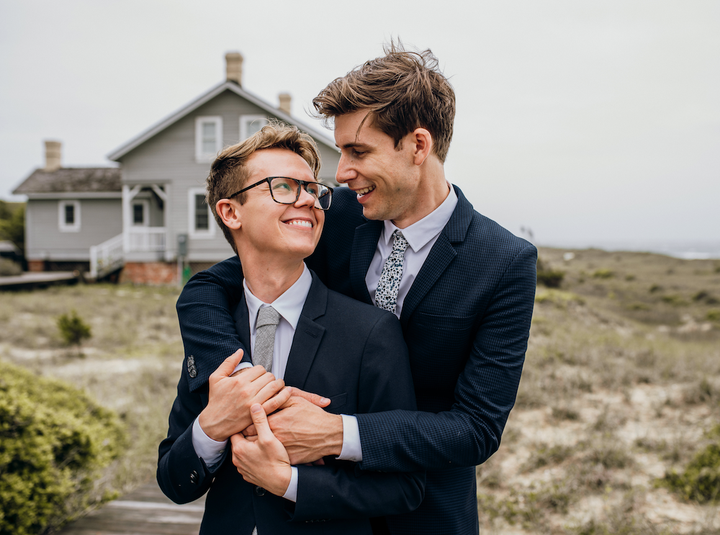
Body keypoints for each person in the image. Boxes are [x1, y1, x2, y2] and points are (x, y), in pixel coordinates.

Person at [177, 43, 537, 534]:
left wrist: (336, 433)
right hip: (314, 510)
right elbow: (213, 287)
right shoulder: (338, 215)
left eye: (358, 151)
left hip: (424, 510)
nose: (341, 172)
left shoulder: (503, 261)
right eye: (341, 150)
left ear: (417, 146)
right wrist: (240, 379)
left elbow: (477, 427)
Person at [158, 123, 424, 535]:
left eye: (312, 190)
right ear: (231, 212)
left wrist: (290, 483)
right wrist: (212, 426)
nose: (308, 201)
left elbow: (405, 487)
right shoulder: (215, 328)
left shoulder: (372, 333)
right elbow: (172, 482)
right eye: (283, 186)